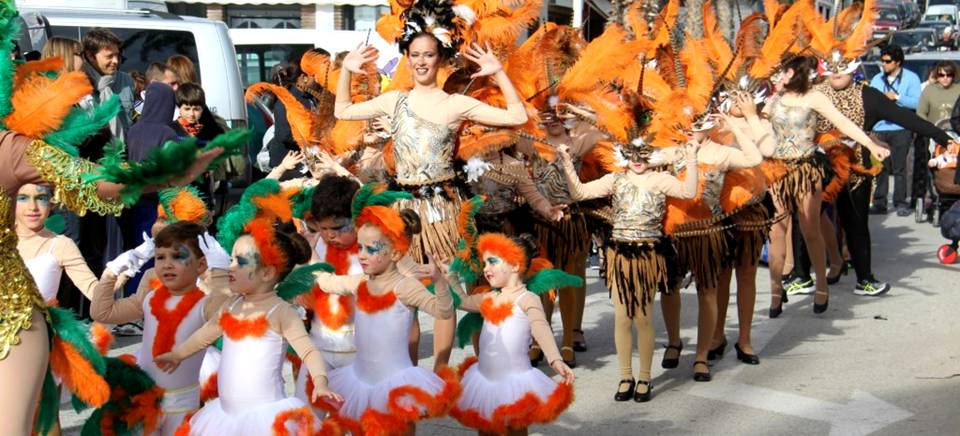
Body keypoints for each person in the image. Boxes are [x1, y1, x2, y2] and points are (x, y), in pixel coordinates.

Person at [334, 1, 527, 370]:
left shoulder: (456, 104)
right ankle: (407, 373)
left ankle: (439, 372)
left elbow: (517, 116)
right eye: (415, 55)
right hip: (403, 213)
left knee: (448, 291)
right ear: (407, 57)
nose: (422, 62)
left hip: (443, 211)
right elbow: (342, 111)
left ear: (441, 59)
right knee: (404, 294)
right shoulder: (395, 101)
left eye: (430, 55)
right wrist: (346, 70)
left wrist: (499, 73)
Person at [155, 224, 341, 435]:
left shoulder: (280, 312)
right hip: (224, 416)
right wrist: (178, 354)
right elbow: (205, 335)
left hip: (265, 420)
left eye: (240, 262)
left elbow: (309, 351)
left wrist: (320, 382)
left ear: (267, 273)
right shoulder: (231, 305)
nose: (231, 267)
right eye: (232, 259)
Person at [312, 183, 458, 434]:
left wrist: (439, 282)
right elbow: (327, 282)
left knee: (397, 429)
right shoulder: (360, 284)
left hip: (394, 383)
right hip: (360, 379)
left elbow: (443, 311)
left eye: (371, 249)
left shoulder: (405, 287)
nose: (362, 255)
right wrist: (309, 252)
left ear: (395, 253)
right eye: (359, 248)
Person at [751, 56, 889, 317]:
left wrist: (871, 145)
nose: (779, 76)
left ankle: (821, 285)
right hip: (778, 170)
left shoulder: (814, 98)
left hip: (806, 170)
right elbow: (757, 127)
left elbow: (844, 124)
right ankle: (776, 292)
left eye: (783, 72)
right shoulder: (775, 99)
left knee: (809, 228)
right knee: (776, 231)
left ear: (794, 72)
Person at [90, 222, 231, 436]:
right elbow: (102, 312)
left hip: (183, 405)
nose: (167, 264)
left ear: (201, 265)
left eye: (177, 256)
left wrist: (220, 272)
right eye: (160, 257)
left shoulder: (204, 304)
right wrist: (112, 272)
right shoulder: (148, 298)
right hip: (145, 403)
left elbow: (224, 317)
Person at [442, 233, 576, 435]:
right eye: (485, 263)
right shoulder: (490, 297)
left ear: (515, 265)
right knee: (486, 427)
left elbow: (541, 328)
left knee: (515, 429)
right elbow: (461, 301)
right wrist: (450, 276)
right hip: (484, 379)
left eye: (493, 262)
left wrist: (555, 359)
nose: (486, 269)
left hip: (515, 381)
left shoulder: (527, 298)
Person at [292, 174, 362, 416]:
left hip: (360, 352)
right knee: (305, 421)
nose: (330, 235)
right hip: (320, 346)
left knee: (359, 422)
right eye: (323, 228)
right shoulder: (315, 246)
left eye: (339, 227)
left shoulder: (369, 251)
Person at [869, 44, 922, 216]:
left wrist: (897, 97)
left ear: (898, 62)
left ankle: (900, 202)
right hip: (880, 128)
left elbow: (916, 103)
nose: (883, 64)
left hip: (900, 128)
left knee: (899, 168)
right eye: (882, 61)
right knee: (881, 168)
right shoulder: (877, 79)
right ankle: (880, 202)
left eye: (887, 61)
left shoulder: (911, 78)